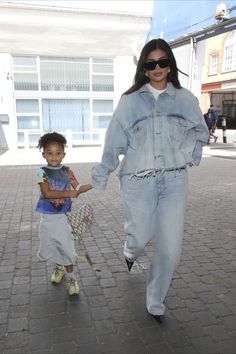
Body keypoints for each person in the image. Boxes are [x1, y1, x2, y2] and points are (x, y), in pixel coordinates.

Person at [91, 38, 209, 322]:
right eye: (150, 63)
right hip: (138, 181)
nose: (157, 68)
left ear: (170, 65)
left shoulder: (186, 99)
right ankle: (130, 251)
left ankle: (155, 299)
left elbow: (200, 132)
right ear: (144, 68)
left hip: (174, 182)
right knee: (140, 237)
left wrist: (189, 152)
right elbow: (114, 142)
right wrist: (102, 173)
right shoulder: (130, 102)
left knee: (171, 248)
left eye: (162, 62)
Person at [36, 132, 92, 295]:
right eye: (50, 153)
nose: (54, 157)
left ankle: (71, 277)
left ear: (63, 154)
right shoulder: (41, 172)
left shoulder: (67, 172)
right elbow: (47, 193)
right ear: (44, 154)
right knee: (53, 246)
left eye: (58, 153)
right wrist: (70, 194)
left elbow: (78, 187)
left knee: (66, 247)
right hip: (47, 218)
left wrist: (95, 182)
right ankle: (59, 267)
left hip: (62, 218)